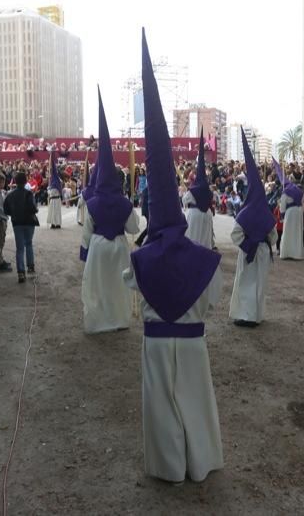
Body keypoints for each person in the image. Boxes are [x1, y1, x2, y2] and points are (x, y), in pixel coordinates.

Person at [125, 31, 223, 483]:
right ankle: (200, 462)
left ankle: (167, 467)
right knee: (197, 401)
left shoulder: (141, 259)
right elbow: (214, 298)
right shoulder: (204, 259)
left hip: (157, 342)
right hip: (194, 342)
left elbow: (132, 286)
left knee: (160, 406)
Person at [80, 89, 140, 334]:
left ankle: (100, 321)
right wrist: (131, 207)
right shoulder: (124, 203)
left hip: (98, 247)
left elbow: (86, 232)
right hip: (118, 246)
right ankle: (118, 320)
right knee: (117, 285)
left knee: (99, 285)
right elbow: (134, 229)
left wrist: (85, 252)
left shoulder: (92, 203)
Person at [229, 128, 277, 327]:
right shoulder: (266, 212)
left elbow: (235, 235)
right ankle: (256, 315)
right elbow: (273, 236)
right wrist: (263, 245)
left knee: (246, 282)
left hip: (250, 252)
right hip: (263, 252)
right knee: (259, 284)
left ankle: (247, 316)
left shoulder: (244, 213)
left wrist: (249, 246)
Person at [3, 171, 38, 284]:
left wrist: (14, 214)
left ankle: (21, 272)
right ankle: (31, 266)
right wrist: (35, 210)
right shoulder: (29, 194)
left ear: (15, 182)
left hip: (17, 223)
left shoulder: (10, 195)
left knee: (19, 248)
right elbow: (33, 209)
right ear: (26, 181)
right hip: (29, 222)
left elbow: (6, 210)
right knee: (29, 243)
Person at [183, 130, 215, 249]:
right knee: (205, 241)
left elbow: (185, 201)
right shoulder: (208, 190)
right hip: (207, 215)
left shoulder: (192, 190)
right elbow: (211, 199)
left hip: (194, 215)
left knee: (193, 238)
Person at [273, 157, 304, 260]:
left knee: (287, 232)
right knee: (297, 232)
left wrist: (282, 217)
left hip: (290, 213)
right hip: (298, 212)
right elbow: (303, 202)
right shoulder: (299, 190)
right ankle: (297, 254)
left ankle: (286, 253)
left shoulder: (285, 191)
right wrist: (301, 211)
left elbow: (282, 207)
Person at [46, 150, 63, 229]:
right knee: (53, 212)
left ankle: (57, 223)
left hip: (56, 199)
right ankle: (53, 223)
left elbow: (54, 191)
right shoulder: (53, 180)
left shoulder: (55, 181)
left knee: (56, 212)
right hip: (53, 200)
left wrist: (49, 189)